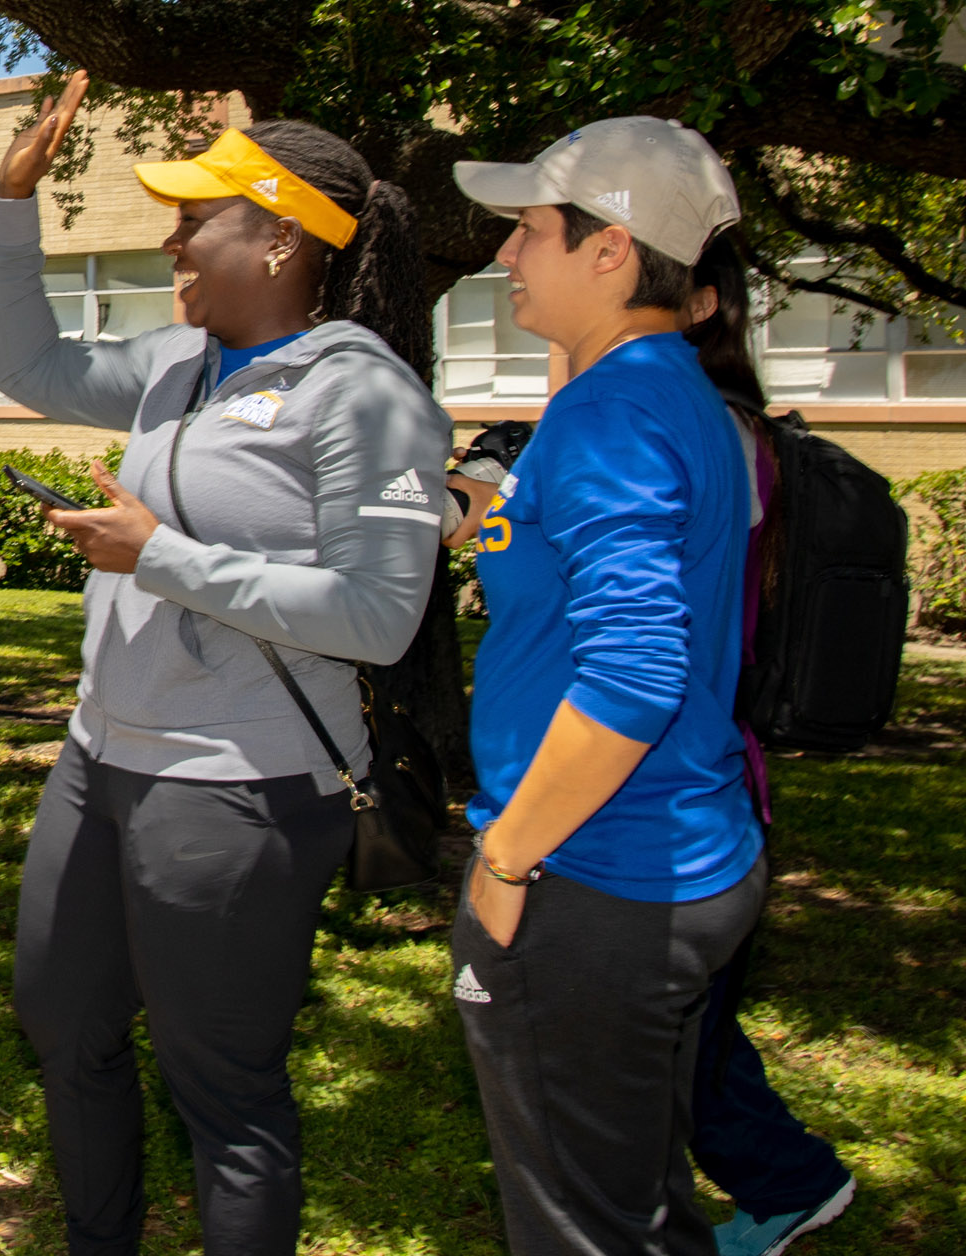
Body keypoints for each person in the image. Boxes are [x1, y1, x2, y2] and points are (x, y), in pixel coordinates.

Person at [0, 75, 452, 1256]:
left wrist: (166, 558)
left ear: (283, 238)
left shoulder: (366, 392)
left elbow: (382, 612)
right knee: (62, 1022)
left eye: (200, 217)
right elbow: (29, 368)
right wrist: (4, 203)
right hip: (100, 760)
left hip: (241, 786)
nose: (173, 236)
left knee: (223, 1087)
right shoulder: (176, 362)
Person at [445, 117, 767, 1255]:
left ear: (610, 249)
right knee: (634, 1202)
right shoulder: (672, 388)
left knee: (579, 1225)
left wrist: (505, 855)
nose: (504, 257)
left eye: (529, 231)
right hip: (678, 855)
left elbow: (635, 671)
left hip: (596, 874)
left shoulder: (612, 408)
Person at [680, 241, 856, 1256]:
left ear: (702, 304)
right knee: (692, 1026)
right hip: (715, 776)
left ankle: (787, 1177)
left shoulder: (712, 437)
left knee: (674, 1035)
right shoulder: (727, 432)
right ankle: (790, 1175)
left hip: (694, 783)